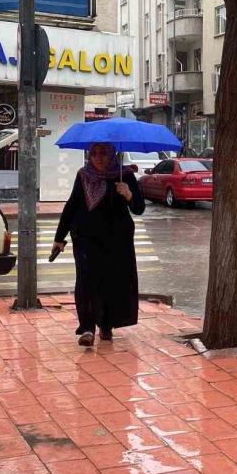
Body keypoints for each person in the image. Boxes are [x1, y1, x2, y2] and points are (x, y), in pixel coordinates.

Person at [52, 143, 145, 347]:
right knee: (85, 281)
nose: (98, 157)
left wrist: (128, 194)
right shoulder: (83, 175)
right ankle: (87, 328)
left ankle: (106, 325)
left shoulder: (125, 175)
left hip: (116, 241)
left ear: (112, 154)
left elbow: (139, 208)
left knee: (110, 283)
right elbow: (72, 206)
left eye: (103, 153)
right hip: (85, 239)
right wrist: (59, 237)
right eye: (94, 153)